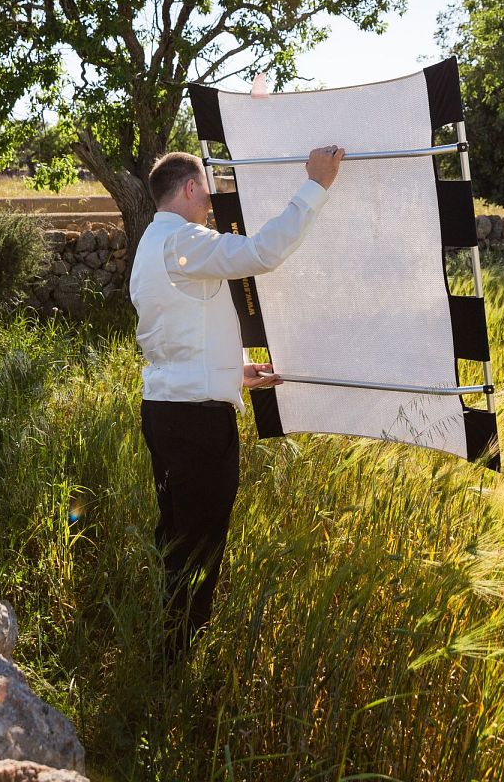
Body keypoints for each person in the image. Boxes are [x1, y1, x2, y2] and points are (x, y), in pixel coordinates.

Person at [130, 144, 344, 657]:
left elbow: (176, 335)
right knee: (201, 550)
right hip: (199, 426)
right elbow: (262, 253)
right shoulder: (185, 239)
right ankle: (178, 666)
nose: (211, 202)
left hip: (163, 411)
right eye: (206, 190)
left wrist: (234, 373)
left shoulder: (149, 246)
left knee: (177, 540)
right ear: (188, 188)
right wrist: (316, 184)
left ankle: (168, 652)